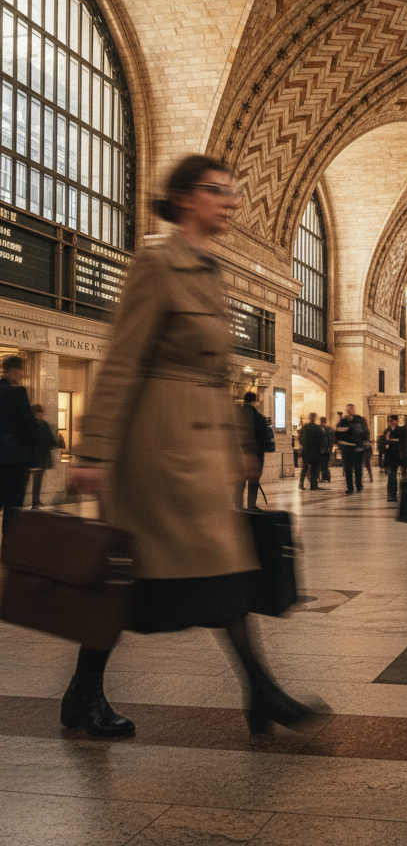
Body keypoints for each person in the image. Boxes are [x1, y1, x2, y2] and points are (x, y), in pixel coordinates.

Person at [66, 154, 314, 739]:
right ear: (182, 199)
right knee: (172, 575)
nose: (228, 201)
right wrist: (93, 452)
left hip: (193, 449)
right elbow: (122, 360)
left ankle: (258, 691)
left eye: (231, 192)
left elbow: (215, 374)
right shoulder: (158, 264)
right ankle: (260, 692)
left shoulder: (207, 268)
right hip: (157, 452)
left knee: (204, 574)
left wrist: (235, 443)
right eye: (214, 191)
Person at [0, 356, 37, 532]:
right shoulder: (17, 393)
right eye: (21, 371)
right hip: (13, 459)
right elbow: (29, 426)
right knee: (13, 507)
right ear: (16, 371)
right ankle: (8, 550)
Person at [236, 391, 274, 509]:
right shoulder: (259, 418)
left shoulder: (236, 416)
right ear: (255, 402)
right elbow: (267, 437)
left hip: (239, 453)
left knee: (239, 481)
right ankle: (251, 504)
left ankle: (238, 505)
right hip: (255, 454)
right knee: (253, 480)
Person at [28, 403, 59, 509]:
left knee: (24, 483)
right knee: (37, 482)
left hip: (28, 459)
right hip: (40, 458)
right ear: (39, 413)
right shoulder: (43, 425)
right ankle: (35, 501)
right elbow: (51, 441)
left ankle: (27, 502)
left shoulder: (28, 424)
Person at [336, 404, 368, 494]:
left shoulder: (360, 420)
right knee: (347, 468)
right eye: (347, 409)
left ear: (353, 410)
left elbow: (364, 431)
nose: (349, 411)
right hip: (346, 447)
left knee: (358, 467)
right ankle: (350, 487)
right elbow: (337, 430)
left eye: (350, 409)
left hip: (358, 447)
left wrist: (348, 429)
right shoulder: (343, 420)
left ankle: (358, 485)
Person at [298, 412, 327, 490]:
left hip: (306, 450)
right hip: (315, 451)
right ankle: (313, 485)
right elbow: (322, 439)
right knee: (314, 468)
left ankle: (301, 484)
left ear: (309, 418)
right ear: (315, 418)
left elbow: (300, 438)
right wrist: (323, 448)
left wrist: (303, 445)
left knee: (304, 468)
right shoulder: (317, 428)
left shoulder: (304, 427)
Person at [382, 415, 404, 502]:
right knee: (391, 475)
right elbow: (383, 441)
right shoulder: (387, 431)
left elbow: (401, 441)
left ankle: (393, 494)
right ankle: (390, 494)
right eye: (390, 421)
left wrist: (391, 440)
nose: (391, 423)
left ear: (396, 421)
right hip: (389, 456)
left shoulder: (399, 430)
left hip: (396, 456)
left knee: (393, 475)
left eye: (393, 421)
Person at [318, 416, 334, 484]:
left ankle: (325, 477)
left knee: (324, 464)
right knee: (323, 464)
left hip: (325, 450)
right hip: (325, 450)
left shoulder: (326, 429)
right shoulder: (328, 429)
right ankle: (325, 478)